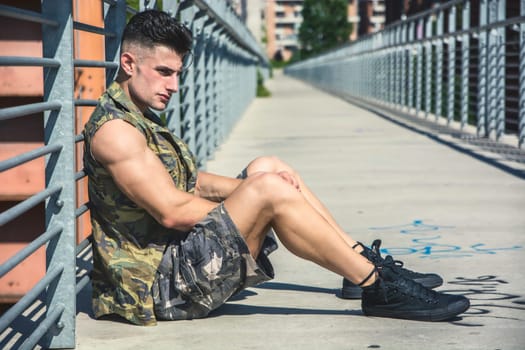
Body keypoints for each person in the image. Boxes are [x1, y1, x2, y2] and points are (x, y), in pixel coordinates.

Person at [83, 9, 470, 326]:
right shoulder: (116, 132)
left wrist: (261, 187)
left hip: (179, 261)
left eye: (178, 74)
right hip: (157, 289)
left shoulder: (139, 115)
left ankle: (359, 261)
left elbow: (191, 182)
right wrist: (258, 199)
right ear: (129, 63)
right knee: (267, 189)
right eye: (164, 72)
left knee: (268, 167)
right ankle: (376, 285)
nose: (175, 85)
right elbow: (170, 210)